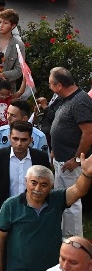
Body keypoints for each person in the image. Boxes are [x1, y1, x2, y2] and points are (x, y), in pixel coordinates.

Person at [0, 159, 92, 271]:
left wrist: (86, 174)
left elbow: (78, 190)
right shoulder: (11, 205)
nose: (37, 189)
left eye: (44, 185)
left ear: (51, 186)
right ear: (26, 181)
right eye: (33, 183)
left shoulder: (57, 199)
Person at [0, 120, 52, 233]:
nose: (19, 143)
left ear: (31, 140)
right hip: (4, 212)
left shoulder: (40, 158)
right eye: (15, 139)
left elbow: (48, 186)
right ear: (9, 138)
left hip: (33, 212)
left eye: (24, 140)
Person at [47, 67, 92, 237]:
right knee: (63, 200)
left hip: (71, 164)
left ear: (59, 85)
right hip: (62, 160)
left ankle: (73, 240)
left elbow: (89, 133)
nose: (50, 87)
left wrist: (77, 160)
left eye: (51, 84)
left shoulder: (79, 102)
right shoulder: (67, 98)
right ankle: (65, 236)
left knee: (71, 203)